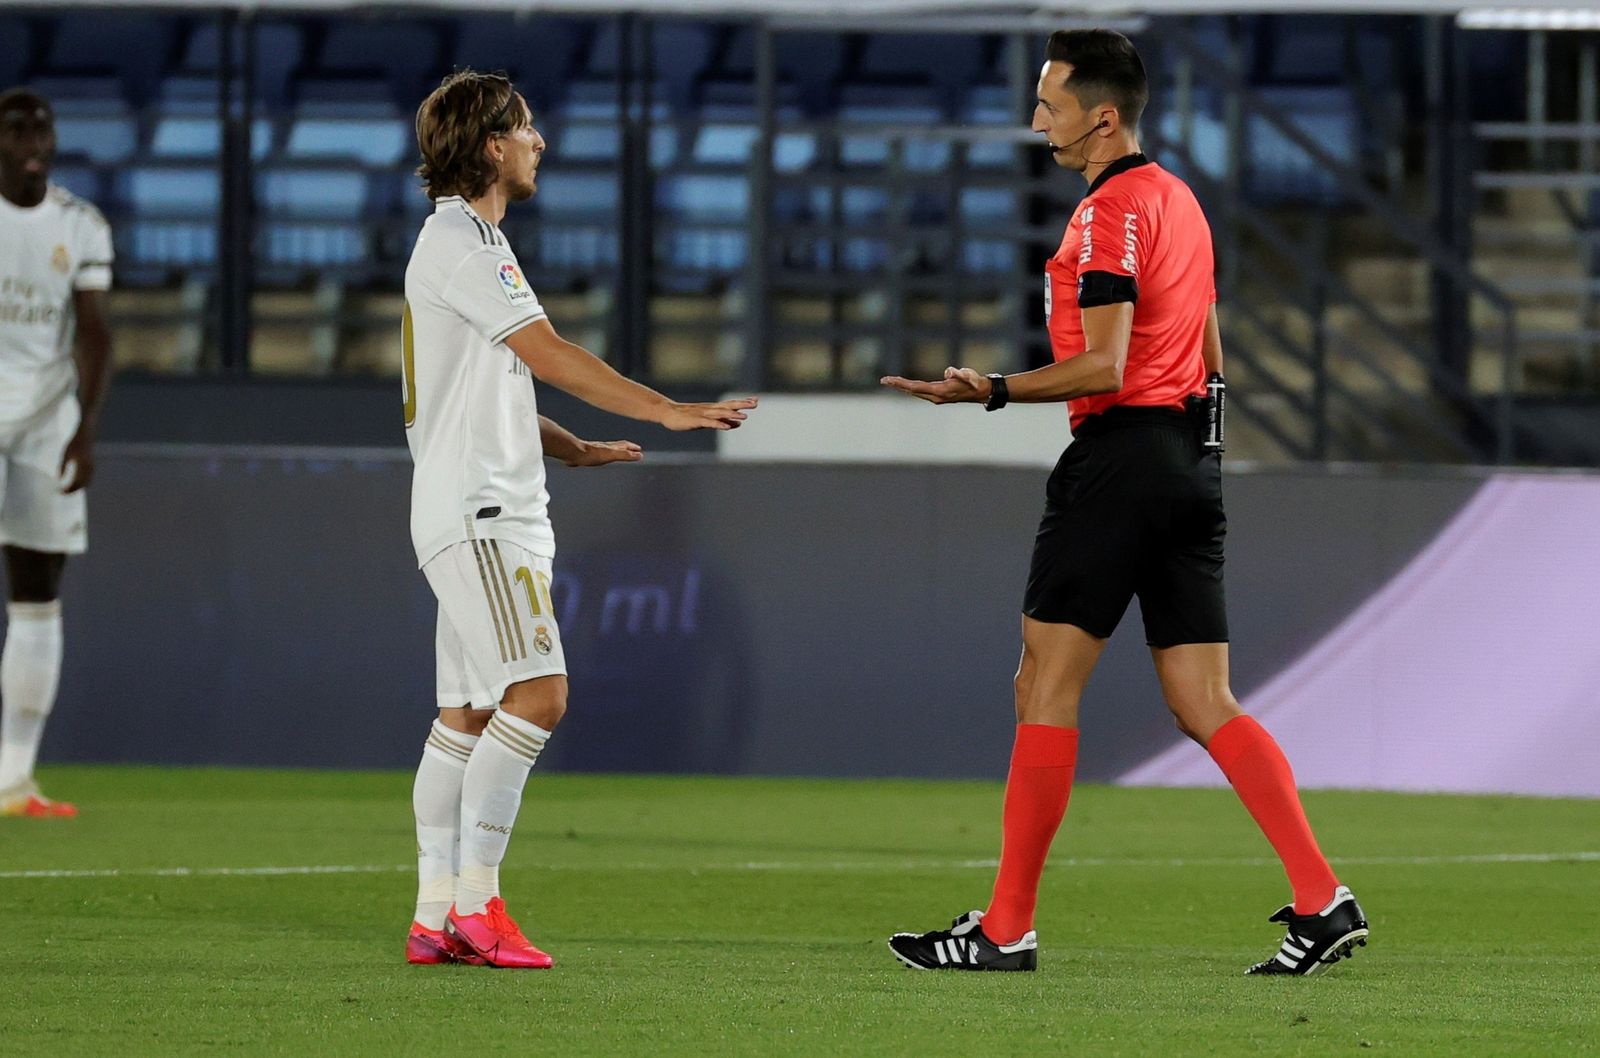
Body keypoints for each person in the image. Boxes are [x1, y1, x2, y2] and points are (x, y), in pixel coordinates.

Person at [880, 30, 1367, 976]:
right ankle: (1323, 899)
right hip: (1190, 457)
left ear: (1103, 117)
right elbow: (1212, 345)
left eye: (1050, 106)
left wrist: (986, 389)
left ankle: (1006, 928)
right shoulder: (1182, 202)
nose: (1037, 122)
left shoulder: (1106, 218)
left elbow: (1104, 363)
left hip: (1120, 458)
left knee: (1043, 686)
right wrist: (1199, 454)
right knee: (1204, 698)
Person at [401, 70, 756, 969]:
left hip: (468, 500)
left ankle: (433, 910)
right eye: (526, 129)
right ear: (491, 146)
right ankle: (478, 906)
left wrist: (572, 449)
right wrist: (665, 409)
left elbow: (486, 389)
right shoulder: (469, 248)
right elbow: (548, 354)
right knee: (540, 695)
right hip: (485, 513)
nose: (539, 143)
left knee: (467, 715)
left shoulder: (456, 244)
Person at [0, 88, 113, 820]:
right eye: (16, 130)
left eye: (42, 126)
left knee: (38, 595)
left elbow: (95, 332)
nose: (34, 139)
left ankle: (14, 781)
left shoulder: (81, 223)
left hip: (46, 422)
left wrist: (85, 428)